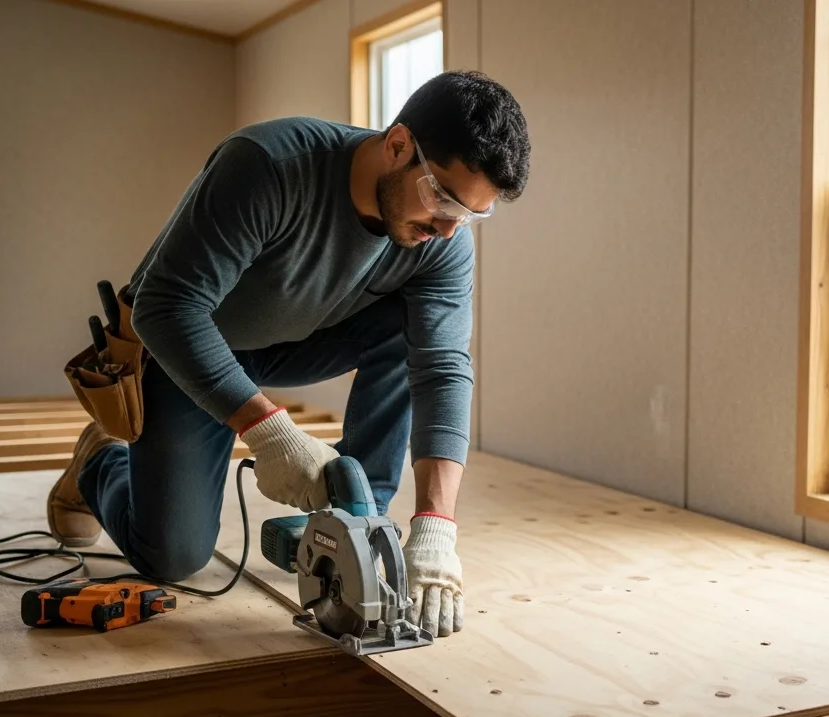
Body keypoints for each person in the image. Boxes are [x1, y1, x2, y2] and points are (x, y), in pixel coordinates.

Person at [44, 70, 530, 638]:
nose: (448, 229)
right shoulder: (269, 166)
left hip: (294, 341)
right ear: (398, 145)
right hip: (186, 344)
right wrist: (268, 430)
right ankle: (99, 463)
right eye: (443, 199)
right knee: (173, 557)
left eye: (469, 214)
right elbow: (164, 309)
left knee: (420, 329)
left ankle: (357, 518)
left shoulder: (441, 240)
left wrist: (436, 524)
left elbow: (444, 366)